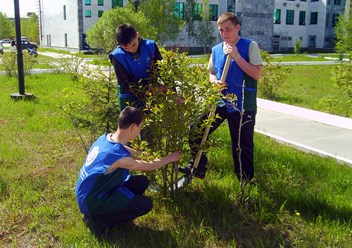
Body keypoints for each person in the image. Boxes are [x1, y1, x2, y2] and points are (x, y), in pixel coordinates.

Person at [180, 12, 263, 183]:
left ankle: (245, 181)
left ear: (237, 27)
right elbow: (211, 73)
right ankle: (198, 166)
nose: (225, 34)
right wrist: (214, 82)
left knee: (241, 145)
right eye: (221, 30)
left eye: (228, 29)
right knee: (196, 130)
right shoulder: (216, 50)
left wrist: (237, 57)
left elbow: (256, 74)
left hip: (242, 104)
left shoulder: (249, 46)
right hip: (219, 102)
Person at [75, 106, 181, 232]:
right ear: (133, 128)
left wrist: (155, 155)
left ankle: (108, 210)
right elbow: (148, 166)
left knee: (142, 182)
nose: (139, 132)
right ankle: (100, 221)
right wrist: (170, 158)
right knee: (145, 204)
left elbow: (135, 154)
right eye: (140, 128)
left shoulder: (106, 138)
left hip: (90, 192)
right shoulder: (118, 158)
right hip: (91, 200)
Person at [109, 23, 163, 112]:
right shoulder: (117, 56)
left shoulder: (151, 46)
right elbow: (125, 84)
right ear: (119, 45)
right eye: (126, 48)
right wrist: (147, 90)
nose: (131, 50)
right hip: (130, 97)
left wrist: (172, 92)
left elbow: (161, 70)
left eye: (133, 45)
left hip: (153, 92)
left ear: (137, 35)